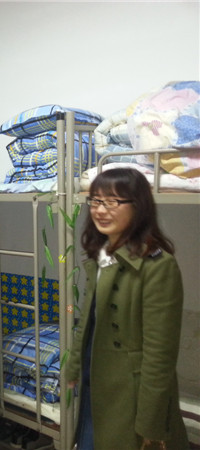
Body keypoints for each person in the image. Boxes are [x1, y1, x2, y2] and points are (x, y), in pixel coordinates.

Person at [65, 168, 189, 450]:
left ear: (138, 206)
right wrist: (75, 366)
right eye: (96, 201)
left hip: (130, 393)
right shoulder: (102, 254)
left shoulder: (158, 265)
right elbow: (89, 320)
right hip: (96, 379)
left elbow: (160, 354)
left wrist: (151, 421)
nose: (100, 210)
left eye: (112, 202)